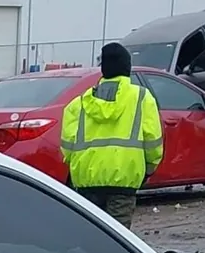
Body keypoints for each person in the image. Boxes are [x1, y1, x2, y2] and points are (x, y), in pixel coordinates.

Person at [59, 43, 161, 227]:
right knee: (116, 237)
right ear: (127, 68)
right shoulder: (142, 98)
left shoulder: (79, 103)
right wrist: (148, 170)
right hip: (124, 182)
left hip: (86, 182)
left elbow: (67, 148)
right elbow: (153, 142)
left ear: (103, 69)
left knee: (89, 235)